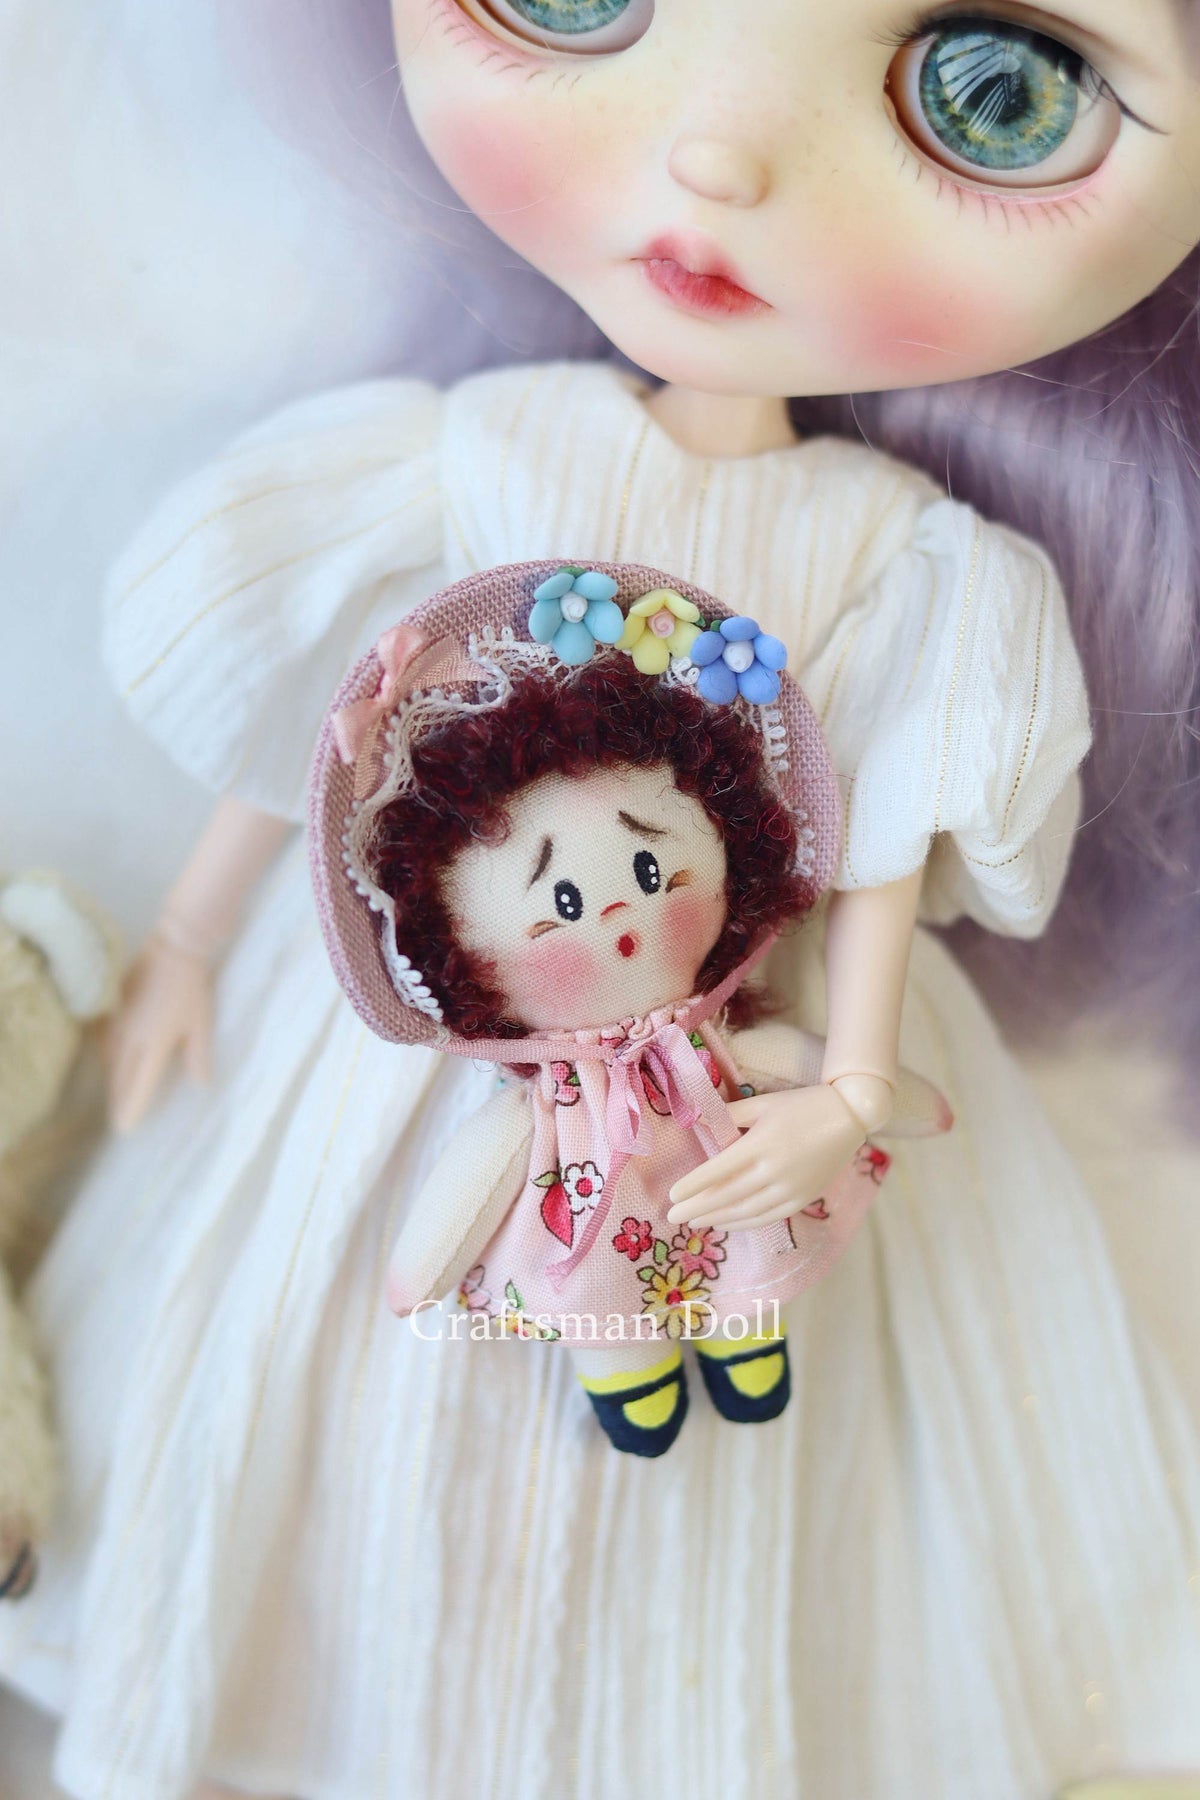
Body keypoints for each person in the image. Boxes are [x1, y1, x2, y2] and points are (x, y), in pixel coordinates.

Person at [3, 3, 1200, 1795]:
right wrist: (185, 940)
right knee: (341, 1376)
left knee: (758, 1449)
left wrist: (851, 1083)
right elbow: (326, 735)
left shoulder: (911, 557)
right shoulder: (460, 451)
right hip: (415, 1041)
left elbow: (881, 852)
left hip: (749, 1046)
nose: (719, 156)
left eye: (995, 92)